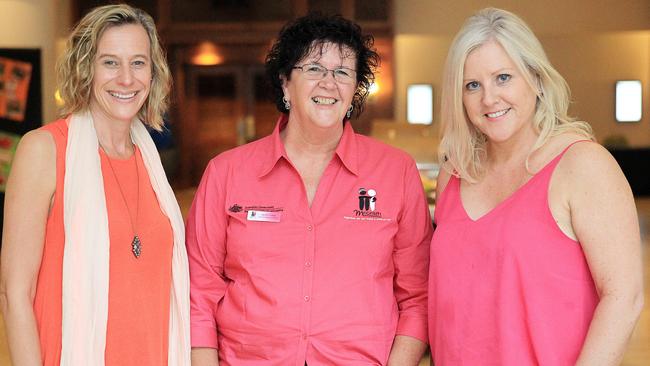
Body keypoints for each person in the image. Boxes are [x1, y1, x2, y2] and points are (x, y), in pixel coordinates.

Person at [187, 13, 432, 366]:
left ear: (354, 90)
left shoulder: (396, 172)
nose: (329, 84)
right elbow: (201, 293)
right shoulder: (226, 173)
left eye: (343, 72)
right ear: (285, 83)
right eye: (314, 69)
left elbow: (417, 295)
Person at [429, 7, 644, 366]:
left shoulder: (582, 165)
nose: (489, 99)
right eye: (472, 85)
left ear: (537, 79)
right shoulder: (454, 173)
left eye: (503, 78)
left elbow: (624, 297)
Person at [0, 4, 190, 365]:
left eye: (138, 62)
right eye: (110, 62)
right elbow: (14, 292)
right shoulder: (43, 150)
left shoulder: (151, 162)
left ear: (153, 72)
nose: (126, 78)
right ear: (85, 68)